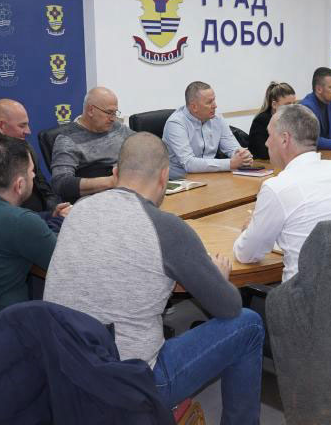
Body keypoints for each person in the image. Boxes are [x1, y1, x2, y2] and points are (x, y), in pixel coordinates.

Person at [43, 132, 264, 425]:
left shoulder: (78, 211)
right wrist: (218, 280)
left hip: (62, 373)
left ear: (116, 173)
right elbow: (228, 307)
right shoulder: (167, 227)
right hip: (130, 384)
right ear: (164, 177)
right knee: (247, 324)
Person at [234, 104, 331, 281]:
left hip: (306, 301)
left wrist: (250, 229)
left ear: (284, 139)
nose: (266, 143)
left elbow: (246, 254)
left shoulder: (278, 187)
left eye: (269, 135)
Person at [0, 133, 57, 315]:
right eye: (31, 171)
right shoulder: (21, 223)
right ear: (19, 185)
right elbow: (65, 263)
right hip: (7, 330)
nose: (34, 175)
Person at [51, 87, 134, 203]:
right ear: (90, 110)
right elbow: (60, 183)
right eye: (109, 113)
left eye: (115, 113)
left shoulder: (117, 128)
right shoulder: (68, 140)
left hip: (127, 194)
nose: (113, 118)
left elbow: (142, 145)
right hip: (95, 201)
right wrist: (111, 182)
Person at [0, 98, 70, 219]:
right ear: (2, 126)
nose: (28, 131)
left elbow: (43, 187)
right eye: (22, 126)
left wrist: (56, 211)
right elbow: (5, 215)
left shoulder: (26, 147)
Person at [163, 81, 253, 179]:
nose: (215, 105)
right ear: (194, 107)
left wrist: (242, 156)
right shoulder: (176, 123)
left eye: (214, 100)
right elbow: (189, 163)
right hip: (182, 181)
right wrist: (231, 163)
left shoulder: (217, 118)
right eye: (209, 102)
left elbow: (232, 148)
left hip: (211, 177)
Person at [247, 81, 296, 159]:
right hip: (263, 165)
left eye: (294, 103)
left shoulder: (292, 119)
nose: (292, 108)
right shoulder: (261, 121)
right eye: (288, 104)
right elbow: (262, 153)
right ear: (274, 105)